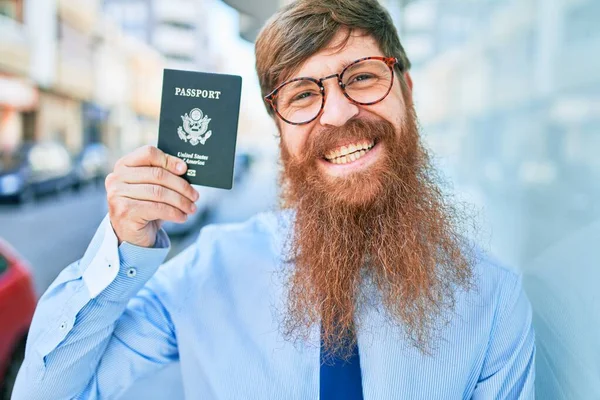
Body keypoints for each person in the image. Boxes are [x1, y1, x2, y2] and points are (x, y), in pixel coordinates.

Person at [13, 0, 535, 398]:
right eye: (303, 96)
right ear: (279, 129)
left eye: (362, 77)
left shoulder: (492, 300)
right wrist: (123, 247)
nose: (337, 114)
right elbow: (46, 389)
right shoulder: (207, 271)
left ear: (407, 90)